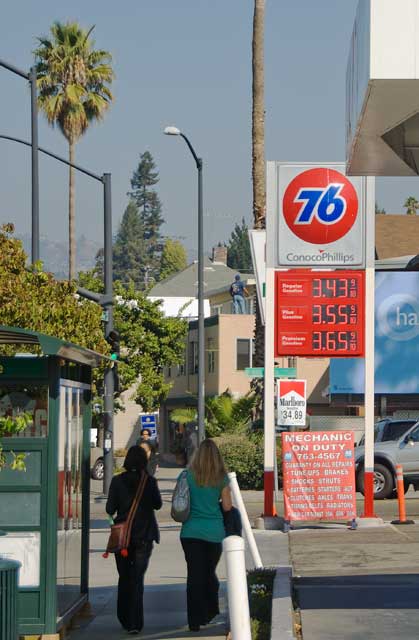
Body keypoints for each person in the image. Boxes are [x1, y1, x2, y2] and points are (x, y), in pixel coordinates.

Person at [106, 446, 162, 634]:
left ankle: (124, 617)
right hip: (144, 536)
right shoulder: (149, 481)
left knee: (124, 577)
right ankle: (135, 623)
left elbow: (109, 508)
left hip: (122, 538)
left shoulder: (116, 481)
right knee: (137, 579)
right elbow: (158, 504)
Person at [179, 439, 232, 632]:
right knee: (208, 573)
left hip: (190, 532)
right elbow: (227, 506)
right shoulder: (221, 478)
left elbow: (180, 500)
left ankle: (194, 619)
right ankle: (208, 610)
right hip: (213, 533)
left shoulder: (186, 476)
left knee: (194, 575)